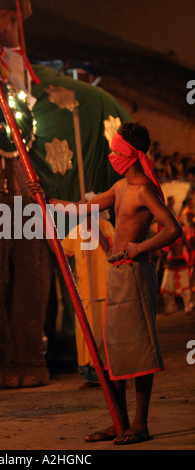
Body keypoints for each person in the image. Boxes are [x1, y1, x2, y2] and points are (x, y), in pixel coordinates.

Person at [28, 121, 183, 445]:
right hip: (118, 276)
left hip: (136, 275)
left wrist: (139, 248)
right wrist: (48, 199)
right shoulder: (119, 188)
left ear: (129, 153)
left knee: (137, 352)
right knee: (112, 351)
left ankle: (140, 425)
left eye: (116, 150)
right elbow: (83, 208)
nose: (111, 155)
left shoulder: (143, 190)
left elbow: (172, 228)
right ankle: (120, 421)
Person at [61, 208, 114, 387]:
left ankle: (109, 373)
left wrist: (94, 227)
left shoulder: (107, 227)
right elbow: (62, 252)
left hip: (103, 289)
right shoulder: (76, 231)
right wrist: (48, 231)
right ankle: (91, 374)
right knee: (85, 334)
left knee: (104, 334)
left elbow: (108, 247)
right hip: (85, 291)